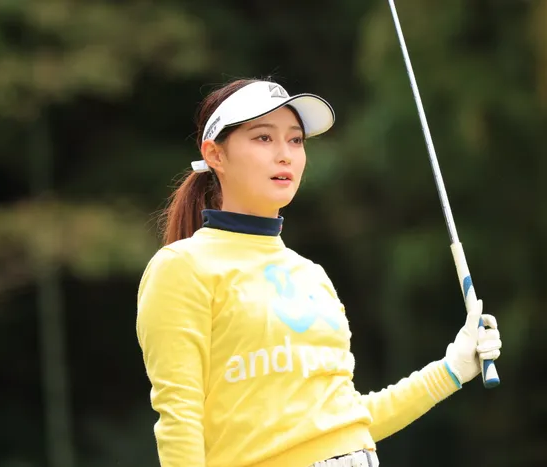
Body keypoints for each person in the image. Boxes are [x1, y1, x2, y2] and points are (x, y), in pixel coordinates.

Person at [135, 78, 502, 467]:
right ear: (215, 155)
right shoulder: (182, 267)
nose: (285, 155)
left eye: (295, 140)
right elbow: (180, 418)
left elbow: (346, 421)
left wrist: (451, 370)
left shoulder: (311, 275)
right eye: (263, 138)